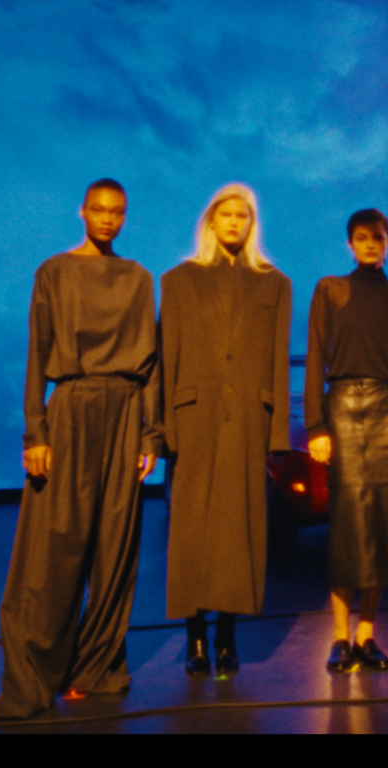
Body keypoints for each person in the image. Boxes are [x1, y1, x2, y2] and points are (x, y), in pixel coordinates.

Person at [0, 180, 163, 721]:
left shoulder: (138, 278)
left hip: (125, 412)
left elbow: (151, 362)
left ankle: (98, 667)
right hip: (70, 410)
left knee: (115, 549)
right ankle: (32, 679)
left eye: (118, 212)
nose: (108, 219)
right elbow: (37, 352)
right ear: (82, 211)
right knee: (52, 551)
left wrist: (151, 434)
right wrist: (35, 432)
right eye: (100, 210)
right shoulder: (55, 272)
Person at [159, 183, 293, 679]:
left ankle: (226, 638)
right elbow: (167, 358)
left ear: (251, 224)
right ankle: (194, 636)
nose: (235, 222)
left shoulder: (275, 283)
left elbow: (277, 360)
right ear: (211, 221)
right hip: (193, 417)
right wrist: (164, 431)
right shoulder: (178, 280)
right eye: (227, 214)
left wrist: (276, 434)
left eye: (244, 215)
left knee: (238, 531)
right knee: (192, 529)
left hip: (248, 421)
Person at [304, 209, 388, 674]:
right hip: (343, 410)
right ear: (350, 244)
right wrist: (316, 427)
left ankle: (366, 634)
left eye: (378, 237)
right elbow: (316, 355)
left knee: (383, 525)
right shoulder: (330, 290)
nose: (370, 243)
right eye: (362, 237)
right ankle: (339, 635)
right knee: (348, 525)